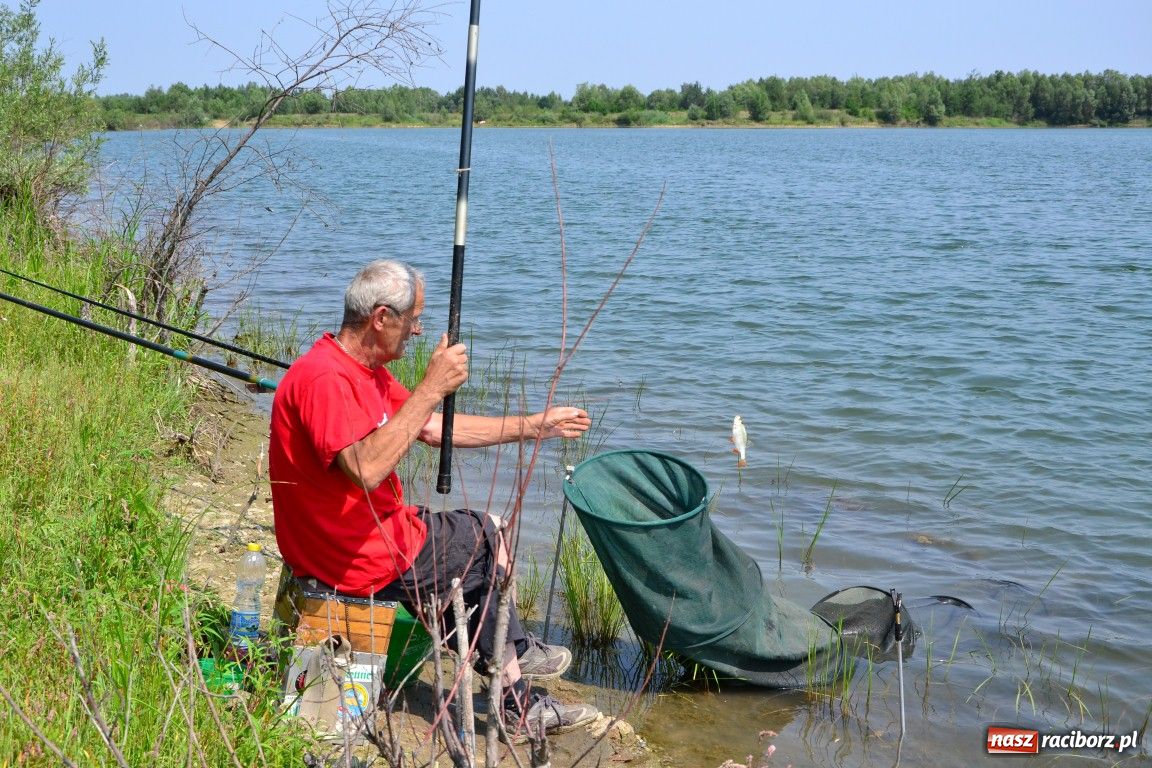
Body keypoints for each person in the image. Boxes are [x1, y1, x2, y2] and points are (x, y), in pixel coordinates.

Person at [269, 259, 599, 737]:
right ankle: (516, 687)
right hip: (350, 554)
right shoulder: (325, 378)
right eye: (413, 319)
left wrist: (535, 426)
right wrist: (431, 387)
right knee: (487, 536)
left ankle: (507, 656)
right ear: (381, 318)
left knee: (466, 547)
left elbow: (430, 427)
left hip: (356, 536)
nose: (418, 331)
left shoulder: (362, 370)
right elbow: (365, 467)